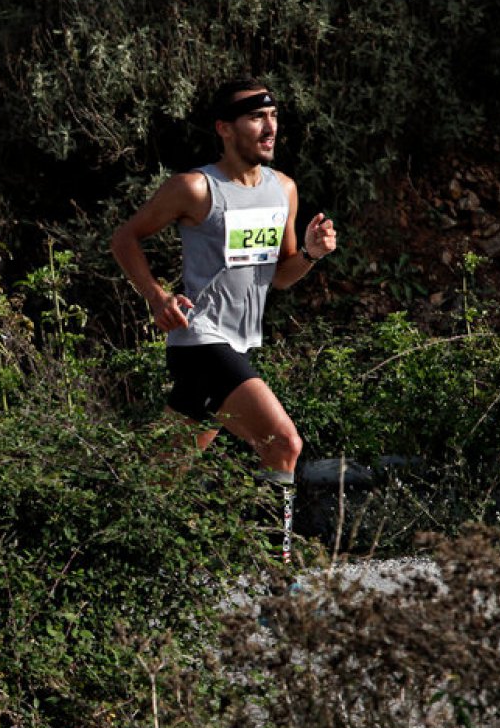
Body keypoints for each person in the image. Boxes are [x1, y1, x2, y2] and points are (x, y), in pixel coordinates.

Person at [109, 78, 338, 557]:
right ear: (225, 129)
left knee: (158, 477)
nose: (270, 128)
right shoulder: (195, 188)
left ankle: (102, 549)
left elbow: (281, 276)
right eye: (256, 118)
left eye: (273, 117)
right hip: (200, 341)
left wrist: (311, 255)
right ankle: (279, 578)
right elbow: (125, 238)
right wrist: (157, 297)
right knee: (283, 443)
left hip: (238, 343)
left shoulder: (283, 190)